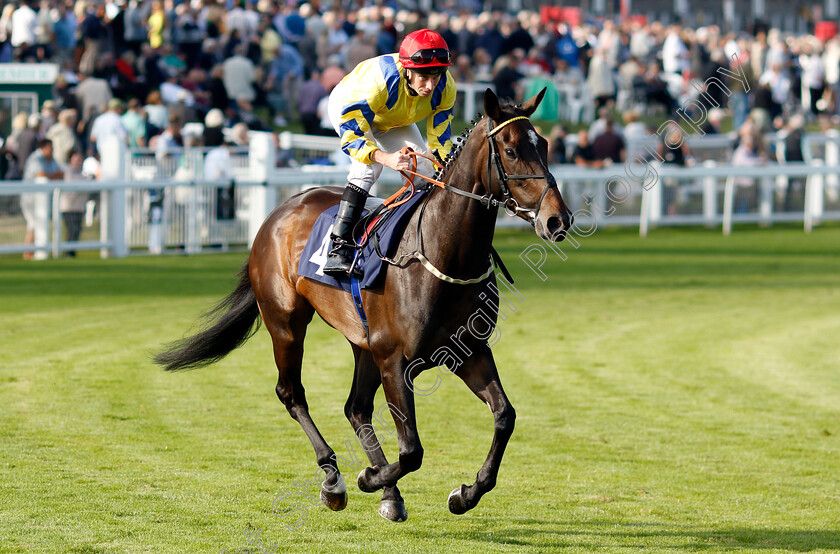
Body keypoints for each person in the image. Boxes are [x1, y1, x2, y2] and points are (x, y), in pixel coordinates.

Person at [323, 28, 455, 277]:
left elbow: (440, 142)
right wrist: (387, 158)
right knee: (368, 169)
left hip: (394, 117)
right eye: (423, 77)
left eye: (436, 76)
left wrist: (446, 170)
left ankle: (414, 240)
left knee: (424, 171)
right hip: (351, 110)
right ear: (407, 70)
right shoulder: (378, 81)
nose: (430, 85)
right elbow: (354, 136)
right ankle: (338, 249)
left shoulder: (445, 87)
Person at [21, 138, 63, 260]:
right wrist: (53, 176)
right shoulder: (35, 158)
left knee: (38, 225)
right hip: (30, 199)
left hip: (43, 200)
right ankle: (27, 254)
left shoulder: (51, 160)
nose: (52, 150)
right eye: (50, 148)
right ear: (43, 148)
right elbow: (40, 174)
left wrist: (52, 176)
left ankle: (31, 253)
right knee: (34, 224)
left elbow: (59, 174)